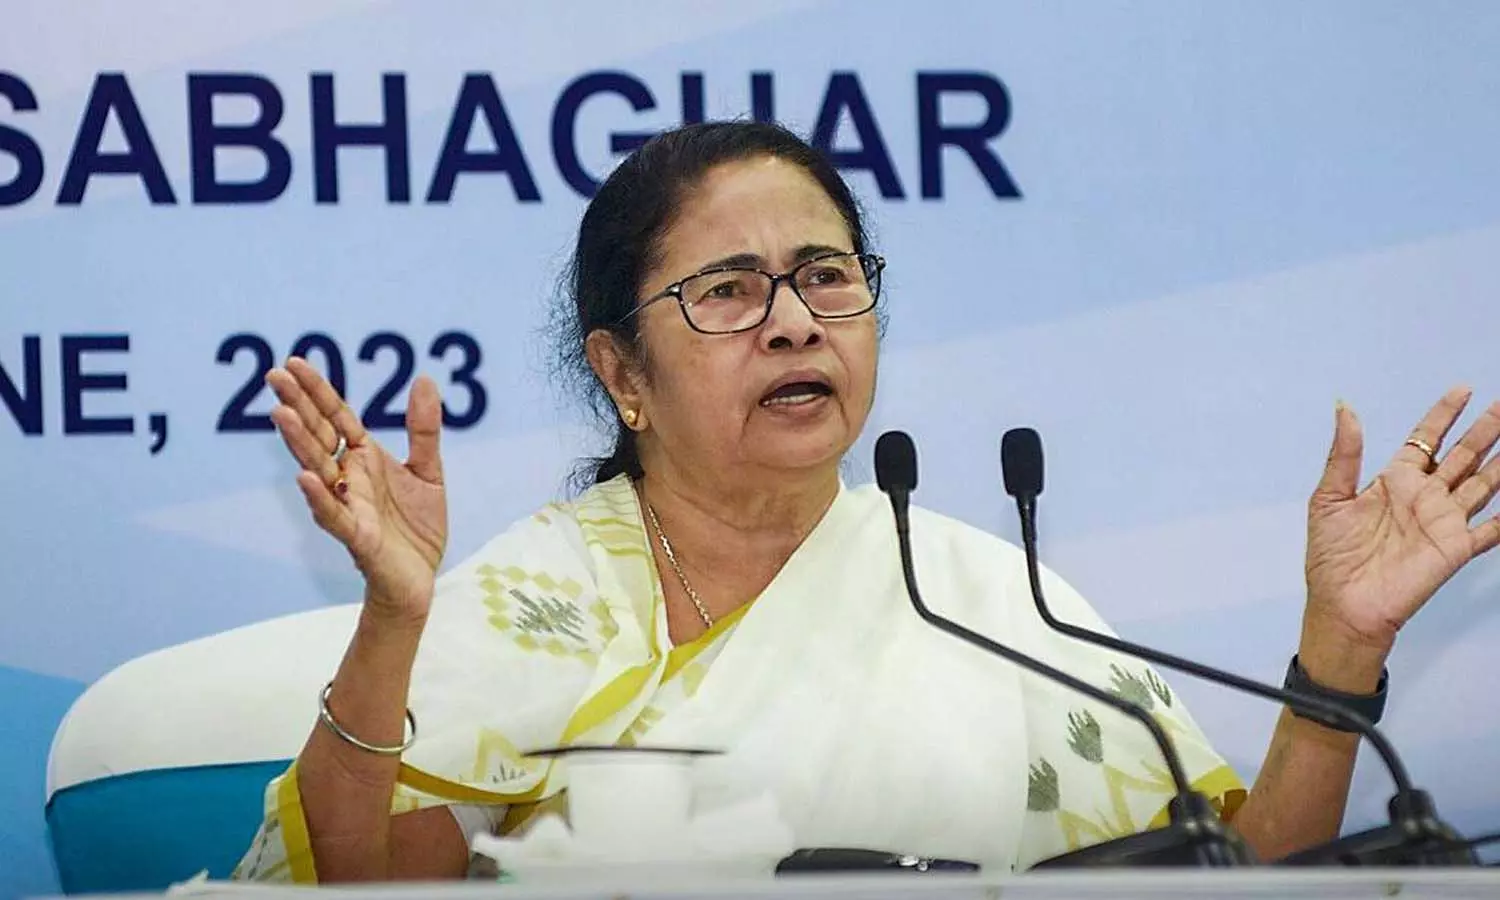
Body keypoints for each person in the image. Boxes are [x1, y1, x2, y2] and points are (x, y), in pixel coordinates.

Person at [232, 121, 1500, 882]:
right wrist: (394, 619)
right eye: (728, 291)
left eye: (825, 276)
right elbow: (362, 889)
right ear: (622, 375)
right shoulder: (545, 598)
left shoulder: (986, 598)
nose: (793, 322)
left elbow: (1247, 882)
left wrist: (1340, 651)